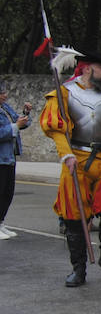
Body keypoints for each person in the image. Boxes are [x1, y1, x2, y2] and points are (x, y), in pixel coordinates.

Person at [40, 48, 101, 286]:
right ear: (87, 69)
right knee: (74, 215)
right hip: (76, 159)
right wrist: (66, 156)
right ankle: (79, 267)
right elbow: (57, 128)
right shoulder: (63, 93)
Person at [0, 85, 33, 239]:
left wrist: (25, 114)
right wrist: (15, 126)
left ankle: (1, 222)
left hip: (9, 156)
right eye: (2, 93)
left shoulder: (5, 107)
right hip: (1, 157)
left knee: (7, 192)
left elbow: (20, 123)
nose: (5, 95)